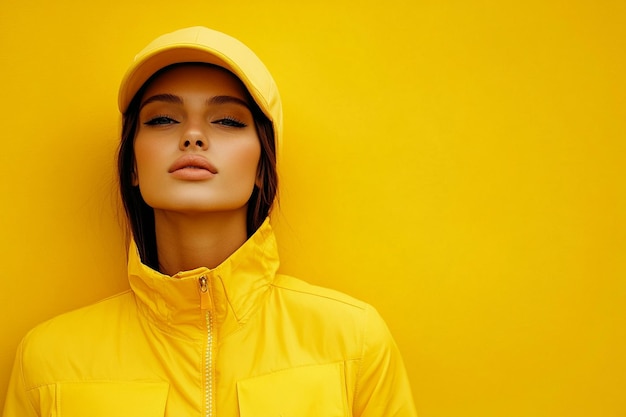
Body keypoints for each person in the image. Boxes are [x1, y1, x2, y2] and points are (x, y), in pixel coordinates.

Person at [2, 26, 417, 417]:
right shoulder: (49, 362)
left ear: (262, 166)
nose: (193, 136)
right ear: (132, 163)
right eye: (163, 119)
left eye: (229, 121)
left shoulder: (353, 340)